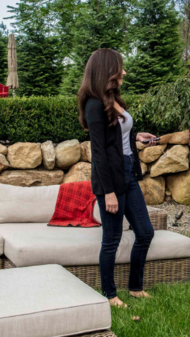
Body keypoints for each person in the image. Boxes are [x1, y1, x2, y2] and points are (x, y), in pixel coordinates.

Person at [77, 48, 159, 308]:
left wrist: (136, 136)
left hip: (128, 172)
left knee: (145, 232)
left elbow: (117, 136)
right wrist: (108, 192)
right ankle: (109, 294)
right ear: (107, 70)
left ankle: (135, 287)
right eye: (120, 67)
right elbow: (99, 152)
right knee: (111, 241)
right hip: (109, 179)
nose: (124, 72)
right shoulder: (93, 104)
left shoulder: (115, 99)